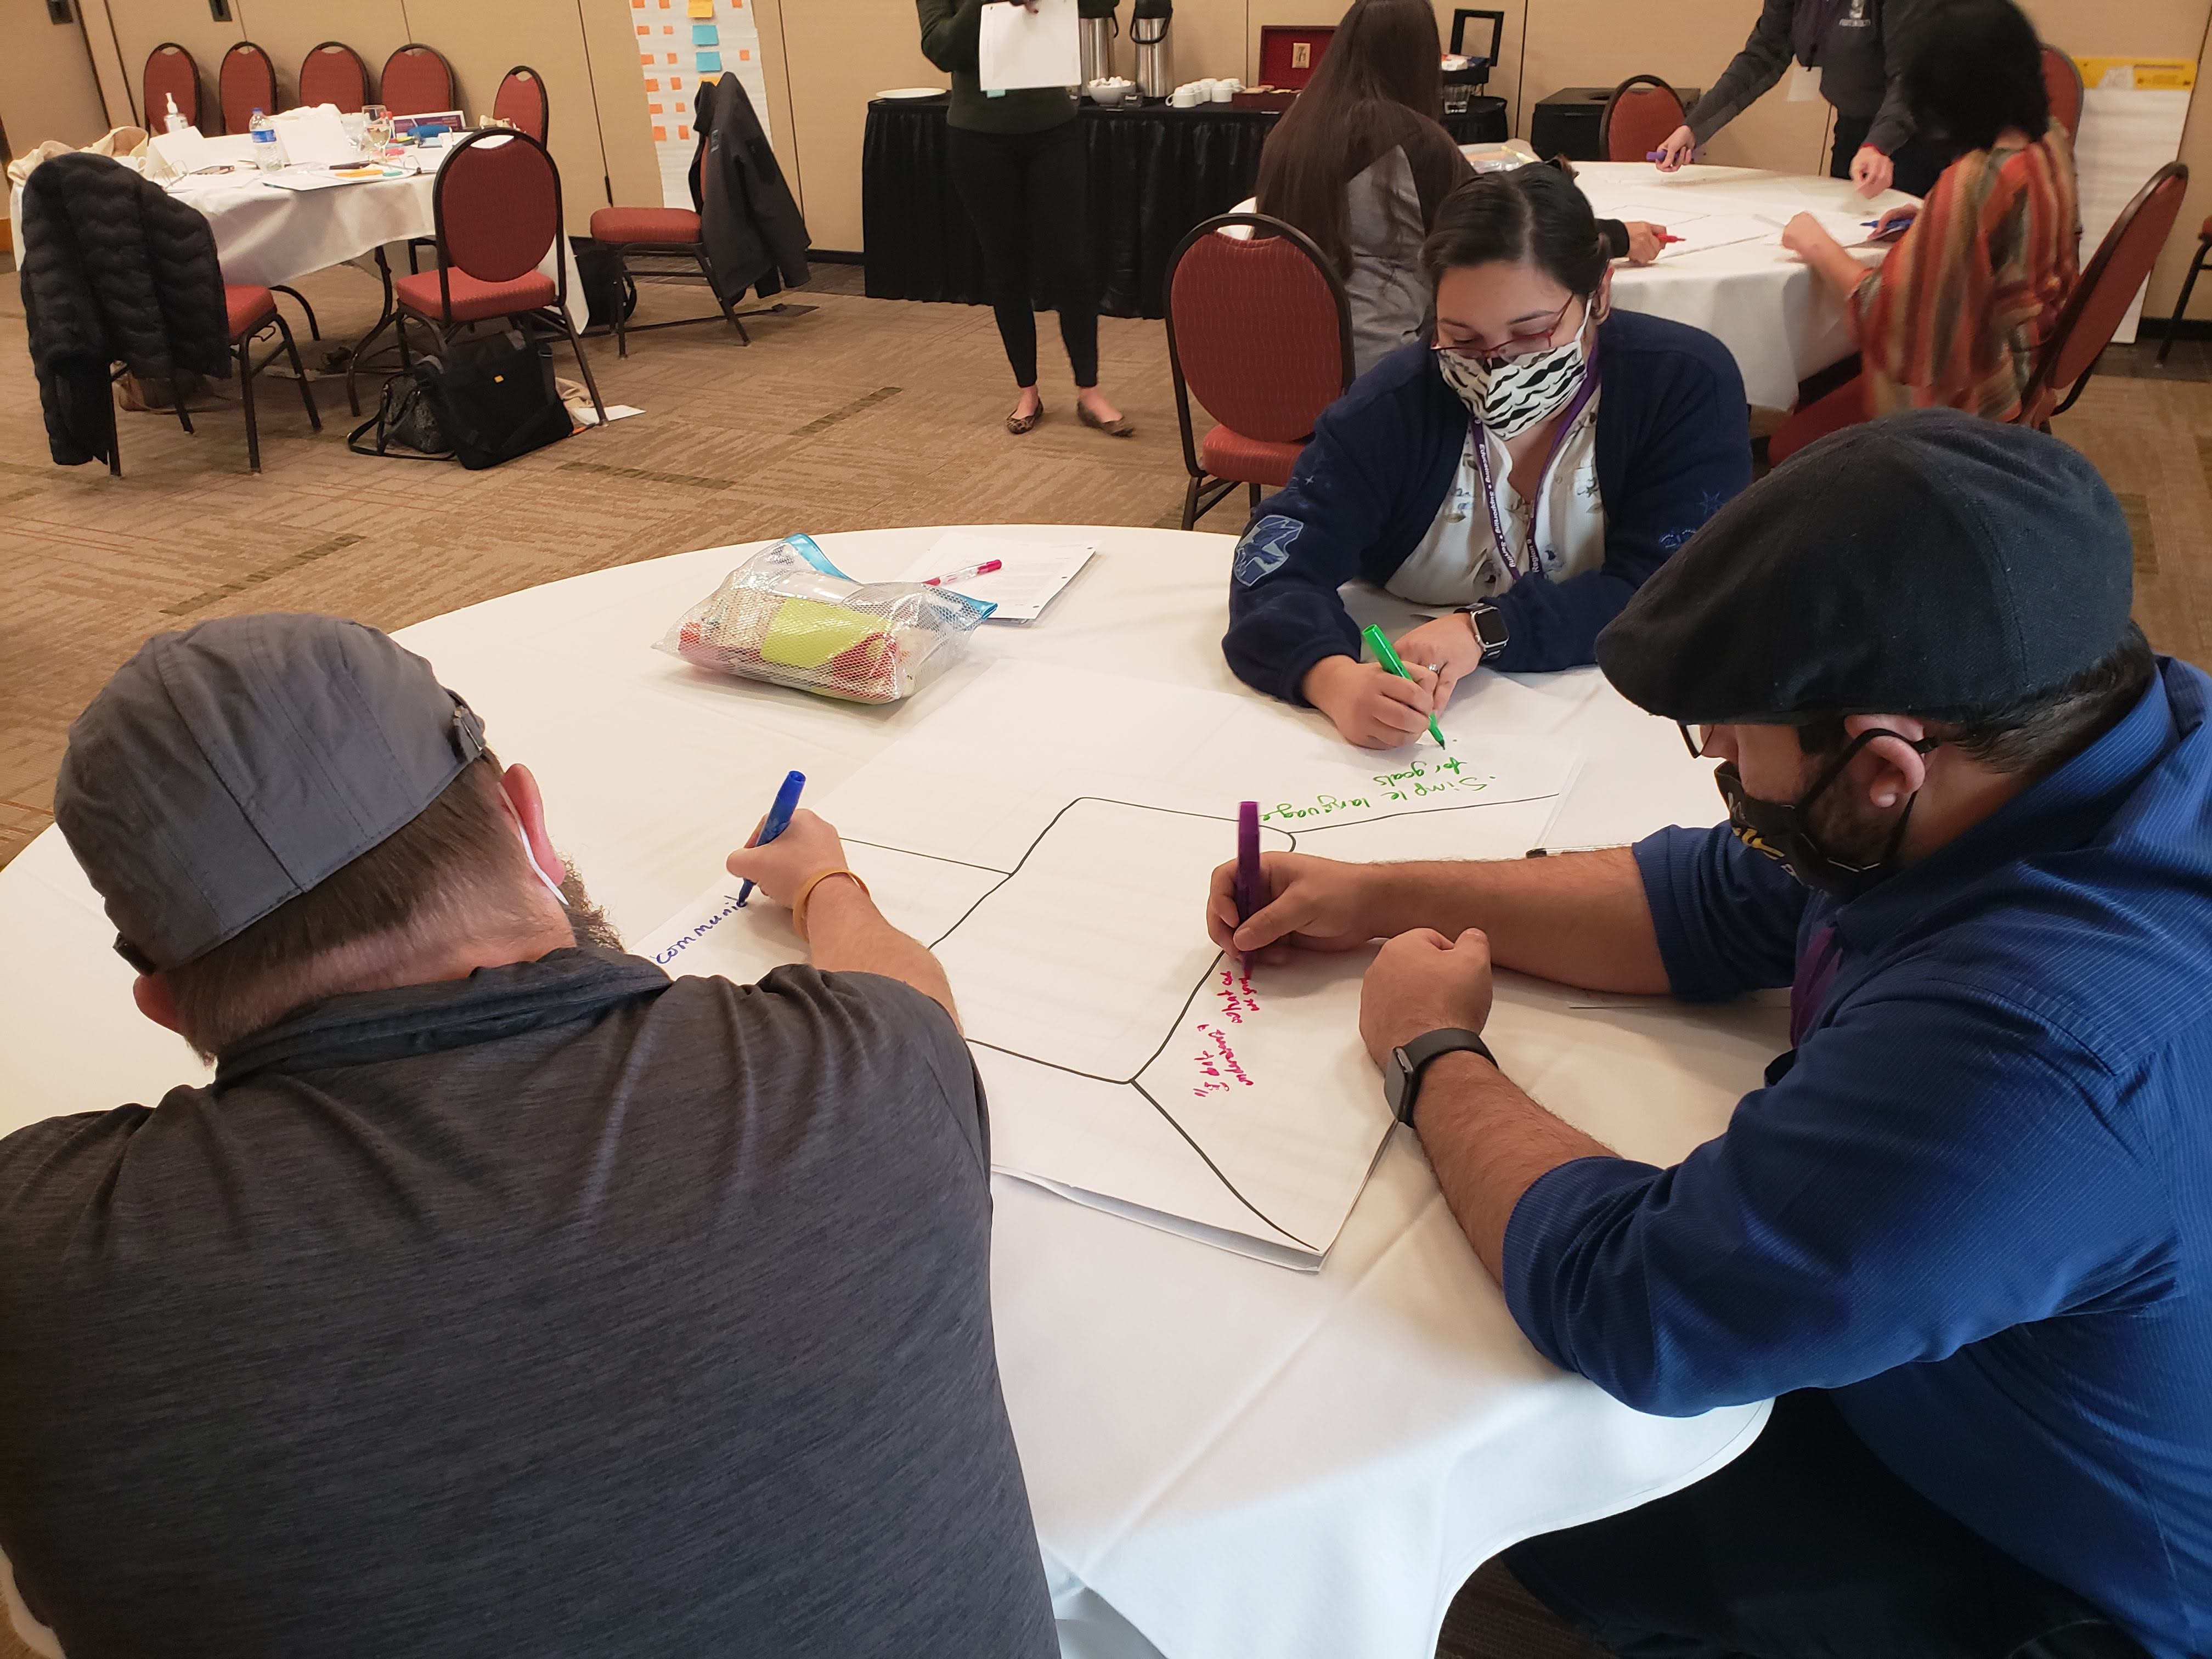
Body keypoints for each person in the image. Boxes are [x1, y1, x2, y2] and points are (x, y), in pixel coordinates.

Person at [1206, 413, 2211, 1657]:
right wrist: (1379, 893)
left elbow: (1639, 1305)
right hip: (2002, 1364)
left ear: (1885, 767)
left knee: (1461, 1447)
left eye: (1732, 734)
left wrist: (1431, 1055)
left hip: (2072, 1579)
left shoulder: (2042, 1046)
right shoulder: (2084, 728)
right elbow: (1721, 899)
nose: (1720, 761)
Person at [0, 615, 1058, 1659]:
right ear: (528, 823)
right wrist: (829, 883)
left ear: (164, 1004)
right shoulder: (861, 1069)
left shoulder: (38, 1267)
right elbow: (909, 986)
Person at [1223, 164, 1749, 749]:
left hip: (1625, 713)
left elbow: (1673, 589)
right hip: (1456, 725)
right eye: (1463, 337)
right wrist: (1332, 678)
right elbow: (1273, 564)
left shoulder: (1682, 382)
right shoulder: (1390, 408)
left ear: (1598, 293)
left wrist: (1487, 629)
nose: (1497, 367)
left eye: (1531, 333)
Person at [1254, 0, 1668, 376]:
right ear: (1418, 60)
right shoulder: (1412, 141)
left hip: (1273, 368)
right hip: (1375, 375)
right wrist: (1617, 235)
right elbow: (1505, 230)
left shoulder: (1290, 132)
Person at [1773, 0, 2078, 455]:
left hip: (1983, 395)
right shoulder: (2048, 139)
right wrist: (1931, 224)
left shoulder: (1975, 181)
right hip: (2035, 360)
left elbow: (1890, 318)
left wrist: (1816, 245)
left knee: (1814, 396)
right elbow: (2001, 241)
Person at [917, 0, 1132, 437]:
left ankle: (1089, 392)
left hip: (1054, 131)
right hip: (979, 138)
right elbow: (941, 49)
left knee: (1072, 265)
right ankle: (1028, 391)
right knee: (1006, 267)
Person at [1651, 0, 1943, 199]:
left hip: (1918, 134)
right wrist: (1694, 128)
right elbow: (1762, 56)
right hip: (1855, 132)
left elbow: (1910, 74)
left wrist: (1879, 144)